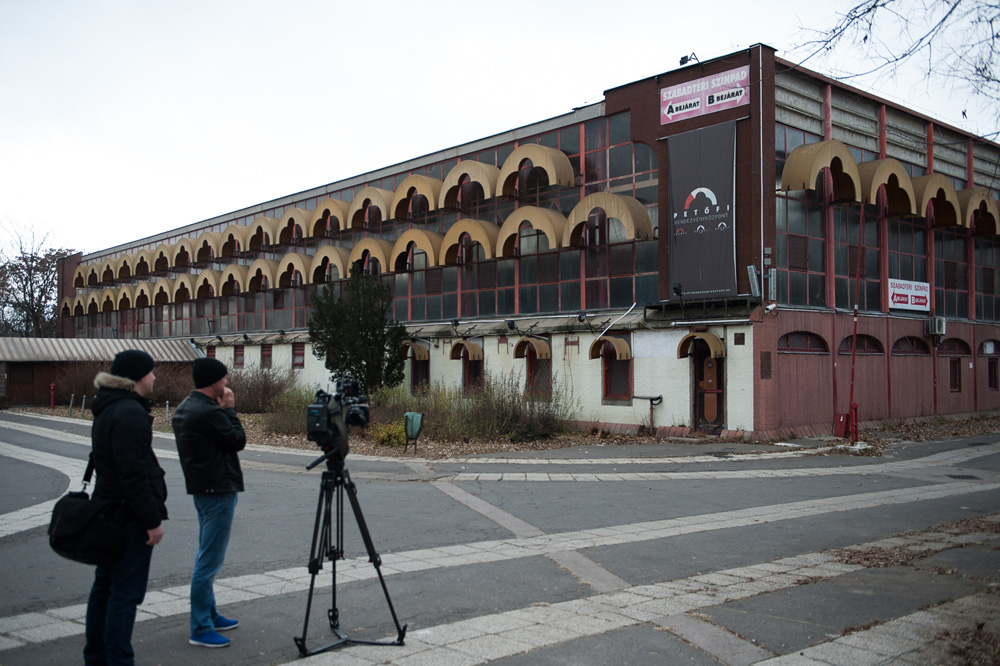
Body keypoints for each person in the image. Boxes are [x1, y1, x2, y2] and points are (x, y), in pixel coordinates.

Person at [84, 349, 168, 666]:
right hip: (128, 518)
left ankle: (96, 657)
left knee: (105, 589)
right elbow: (133, 474)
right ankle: (118, 659)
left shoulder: (107, 407)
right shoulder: (130, 413)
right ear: (136, 377)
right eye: (151, 372)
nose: (155, 377)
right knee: (124, 595)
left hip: (108, 511)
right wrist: (151, 520)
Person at [171, 357, 247, 648]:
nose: (227, 384)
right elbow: (237, 440)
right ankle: (201, 628)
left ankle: (210, 614)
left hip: (203, 488)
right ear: (214, 381)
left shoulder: (186, 408)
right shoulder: (209, 412)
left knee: (207, 552)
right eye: (224, 379)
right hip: (218, 489)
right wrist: (230, 410)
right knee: (208, 561)